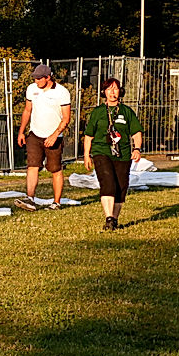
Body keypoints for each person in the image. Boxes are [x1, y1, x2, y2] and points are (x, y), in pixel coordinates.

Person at [83, 78, 144, 231]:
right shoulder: (98, 112)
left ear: (120, 91)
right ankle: (108, 217)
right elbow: (89, 136)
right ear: (104, 92)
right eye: (109, 89)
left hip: (122, 154)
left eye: (115, 88)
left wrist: (137, 149)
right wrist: (86, 155)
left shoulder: (126, 111)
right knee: (108, 183)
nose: (112, 92)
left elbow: (136, 132)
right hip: (101, 152)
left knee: (121, 187)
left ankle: (114, 220)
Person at [15, 64, 72, 211]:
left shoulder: (62, 92)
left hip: (54, 136)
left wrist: (54, 135)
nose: (36, 81)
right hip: (35, 134)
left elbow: (66, 118)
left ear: (48, 77)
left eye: (39, 79)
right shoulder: (31, 89)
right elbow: (27, 110)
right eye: (35, 78)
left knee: (55, 169)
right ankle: (30, 198)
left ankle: (56, 202)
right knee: (32, 166)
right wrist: (21, 132)